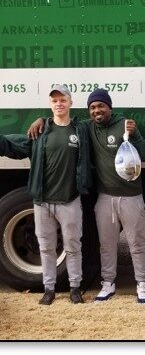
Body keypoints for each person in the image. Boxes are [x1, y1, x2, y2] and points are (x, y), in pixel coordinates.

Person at [28, 88, 145, 304]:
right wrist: (42, 120)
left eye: (101, 106)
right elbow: (61, 122)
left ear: (109, 107)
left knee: (137, 243)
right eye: (92, 107)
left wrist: (136, 135)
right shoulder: (86, 128)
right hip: (104, 198)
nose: (97, 110)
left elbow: (144, 155)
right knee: (106, 244)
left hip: (131, 196)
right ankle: (107, 283)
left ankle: (142, 284)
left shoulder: (124, 125)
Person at [0, 85, 92, 305]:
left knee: (73, 246)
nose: (59, 104)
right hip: (42, 203)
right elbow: (9, 145)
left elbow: (103, 124)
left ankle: (75, 288)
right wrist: (41, 120)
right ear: (50, 105)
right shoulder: (39, 133)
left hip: (70, 200)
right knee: (46, 247)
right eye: (55, 101)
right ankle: (49, 289)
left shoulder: (81, 131)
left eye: (63, 100)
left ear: (70, 102)